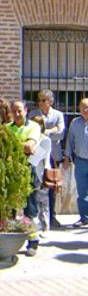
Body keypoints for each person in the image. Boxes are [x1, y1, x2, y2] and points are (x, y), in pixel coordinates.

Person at [8, 100, 41, 256]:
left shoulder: (34, 127)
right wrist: (22, 146)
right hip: (11, 173)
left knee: (30, 208)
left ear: (26, 110)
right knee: (11, 209)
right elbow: (25, 147)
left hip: (28, 171)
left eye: (20, 110)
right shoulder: (7, 128)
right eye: (14, 111)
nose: (17, 114)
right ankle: (11, 241)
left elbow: (30, 147)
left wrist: (12, 145)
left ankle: (33, 241)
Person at [28, 89, 65, 229]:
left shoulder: (58, 115)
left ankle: (52, 216)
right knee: (37, 188)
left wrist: (46, 132)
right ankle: (37, 216)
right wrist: (52, 130)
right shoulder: (33, 114)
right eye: (39, 100)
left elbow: (61, 133)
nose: (40, 103)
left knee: (52, 185)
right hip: (36, 157)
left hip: (53, 156)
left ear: (51, 102)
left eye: (43, 100)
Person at [64, 97, 88, 228]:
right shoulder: (75, 123)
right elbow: (70, 140)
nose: (86, 110)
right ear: (79, 109)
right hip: (80, 162)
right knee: (82, 192)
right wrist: (67, 157)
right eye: (83, 107)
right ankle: (84, 218)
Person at [31, 116, 53, 238]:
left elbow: (37, 157)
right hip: (31, 172)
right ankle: (35, 227)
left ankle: (45, 227)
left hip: (41, 172)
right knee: (33, 202)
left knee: (43, 202)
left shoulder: (45, 140)